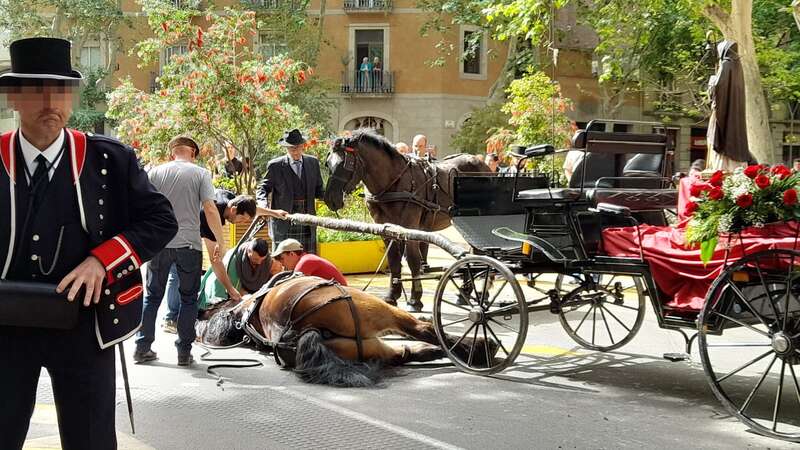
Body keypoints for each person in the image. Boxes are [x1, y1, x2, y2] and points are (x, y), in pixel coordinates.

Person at [0, 37, 177, 449]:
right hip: (4, 330)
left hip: (86, 326)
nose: (51, 100)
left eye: (61, 89)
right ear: (13, 99)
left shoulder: (109, 158)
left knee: (90, 440)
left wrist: (104, 260)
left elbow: (160, 219)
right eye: (36, 89)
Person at [135, 135, 228, 367]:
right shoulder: (201, 174)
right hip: (189, 245)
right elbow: (209, 207)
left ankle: (142, 348)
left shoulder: (155, 172)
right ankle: (184, 353)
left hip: (159, 243)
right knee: (188, 299)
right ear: (193, 154)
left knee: (152, 297)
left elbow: (141, 207)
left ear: (171, 153)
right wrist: (220, 240)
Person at [257, 128, 324, 254]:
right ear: (286, 148)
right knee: (282, 262)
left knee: (307, 259)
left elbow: (320, 190)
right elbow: (263, 188)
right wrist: (262, 205)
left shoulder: (313, 163)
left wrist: (334, 197)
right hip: (283, 221)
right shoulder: (275, 165)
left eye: (298, 147)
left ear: (303, 146)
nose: (296, 151)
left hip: (307, 221)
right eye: (292, 148)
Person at [198, 238, 282, 309]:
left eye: (262, 260)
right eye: (256, 259)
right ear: (248, 251)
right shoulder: (233, 260)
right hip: (227, 294)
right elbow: (221, 284)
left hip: (250, 298)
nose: (259, 263)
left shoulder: (268, 262)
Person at [272, 239, 347, 286]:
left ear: (292, 254)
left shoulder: (305, 261)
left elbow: (291, 285)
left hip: (341, 299)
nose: (281, 263)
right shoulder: (307, 258)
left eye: (281, 258)